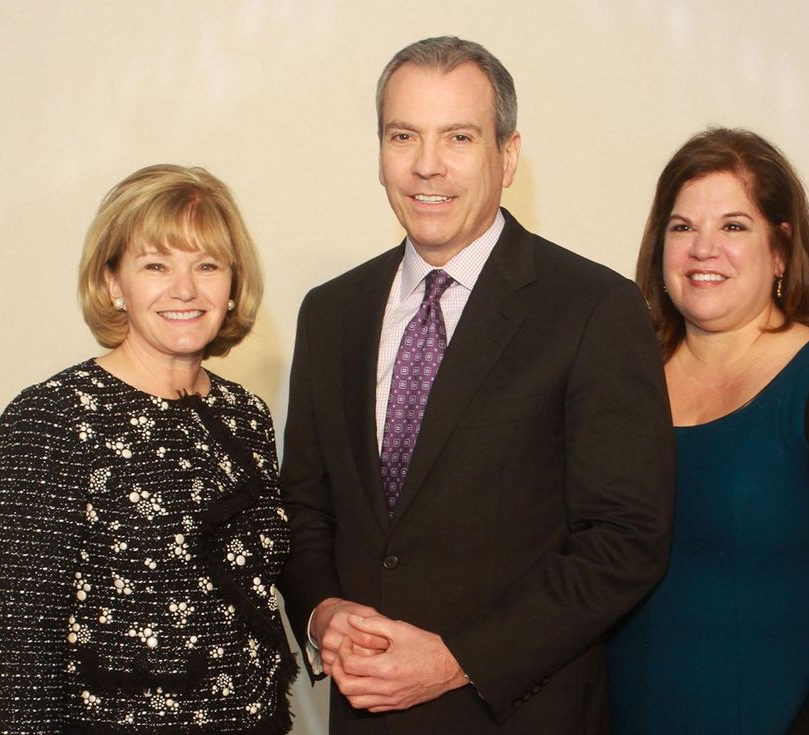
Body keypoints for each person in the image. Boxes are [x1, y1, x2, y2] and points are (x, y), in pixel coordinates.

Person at [278, 36, 675, 734]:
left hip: (520, 715)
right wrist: (322, 612)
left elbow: (625, 539)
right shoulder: (331, 312)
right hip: (365, 717)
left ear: (507, 156)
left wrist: (459, 659)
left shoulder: (592, 309)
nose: (427, 164)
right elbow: (306, 509)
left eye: (458, 137)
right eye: (403, 136)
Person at [606, 128, 809, 734]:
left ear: (780, 250)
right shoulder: (620, 381)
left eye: (733, 226)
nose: (703, 249)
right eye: (682, 227)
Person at [0, 165, 297, 733]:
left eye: (207, 265)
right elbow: (20, 655)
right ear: (112, 283)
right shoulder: (50, 417)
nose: (185, 289)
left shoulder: (247, 415)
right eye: (156, 265)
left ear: (233, 286)